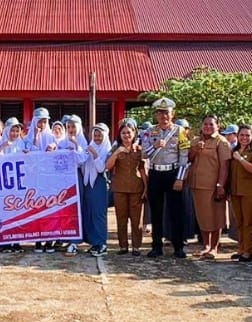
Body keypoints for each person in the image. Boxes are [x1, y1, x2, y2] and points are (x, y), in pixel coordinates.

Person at [141, 98, 190, 259]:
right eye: (160, 113)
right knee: (156, 211)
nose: (164, 116)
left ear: (172, 114)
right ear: (156, 114)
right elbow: (143, 154)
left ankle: (178, 246)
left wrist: (180, 178)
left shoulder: (179, 131)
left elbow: (184, 156)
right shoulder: (149, 132)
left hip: (173, 173)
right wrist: (153, 146)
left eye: (166, 113)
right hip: (155, 174)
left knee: (176, 211)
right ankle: (156, 245)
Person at [187, 115, 232, 259]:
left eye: (211, 124)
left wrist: (221, 184)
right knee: (202, 217)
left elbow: (225, 166)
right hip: (197, 184)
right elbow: (189, 158)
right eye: (205, 124)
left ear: (218, 126)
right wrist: (195, 149)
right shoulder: (195, 140)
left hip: (213, 185)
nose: (207, 127)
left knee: (215, 216)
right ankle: (206, 245)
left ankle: (214, 247)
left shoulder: (221, 142)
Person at [108, 120, 146, 256]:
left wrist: (146, 188)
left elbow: (143, 169)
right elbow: (108, 166)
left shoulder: (140, 149)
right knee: (121, 218)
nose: (126, 135)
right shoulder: (116, 148)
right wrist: (117, 152)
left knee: (136, 220)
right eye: (123, 133)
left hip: (136, 187)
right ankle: (123, 246)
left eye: (129, 132)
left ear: (134, 133)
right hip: (120, 188)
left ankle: (136, 246)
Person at [228, 125, 252, 263]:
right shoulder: (234, 150)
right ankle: (241, 248)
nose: (244, 138)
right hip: (236, 191)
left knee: (249, 222)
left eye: (247, 135)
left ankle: (248, 251)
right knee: (239, 221)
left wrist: (241, 159)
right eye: (242, 135)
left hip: (250, 192)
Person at [79, 123, 112, 257]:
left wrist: (94, 154)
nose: (97, 138)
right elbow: (82, 165)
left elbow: (101, 168)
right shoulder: (90, 146)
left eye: (100, 135)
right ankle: (94, 242)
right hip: (88, 184)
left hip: (99, 183)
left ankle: (102, 243)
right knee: (89, 213)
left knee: (99, 214)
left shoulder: (107, 150)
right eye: (95, 135)